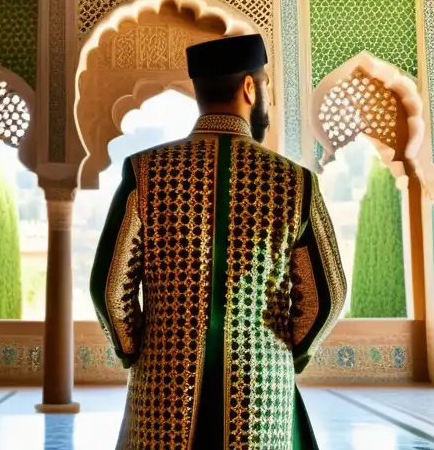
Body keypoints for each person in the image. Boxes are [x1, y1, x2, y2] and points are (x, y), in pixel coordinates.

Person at [91, 33, 347, 449]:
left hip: (164, 392)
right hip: (259, 394)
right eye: (263, 85)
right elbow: (328, 295)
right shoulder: (294, 183)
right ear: (250, 88)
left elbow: (109, 286)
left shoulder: (145, 171)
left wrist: (139, 350)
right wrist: (285, 352)